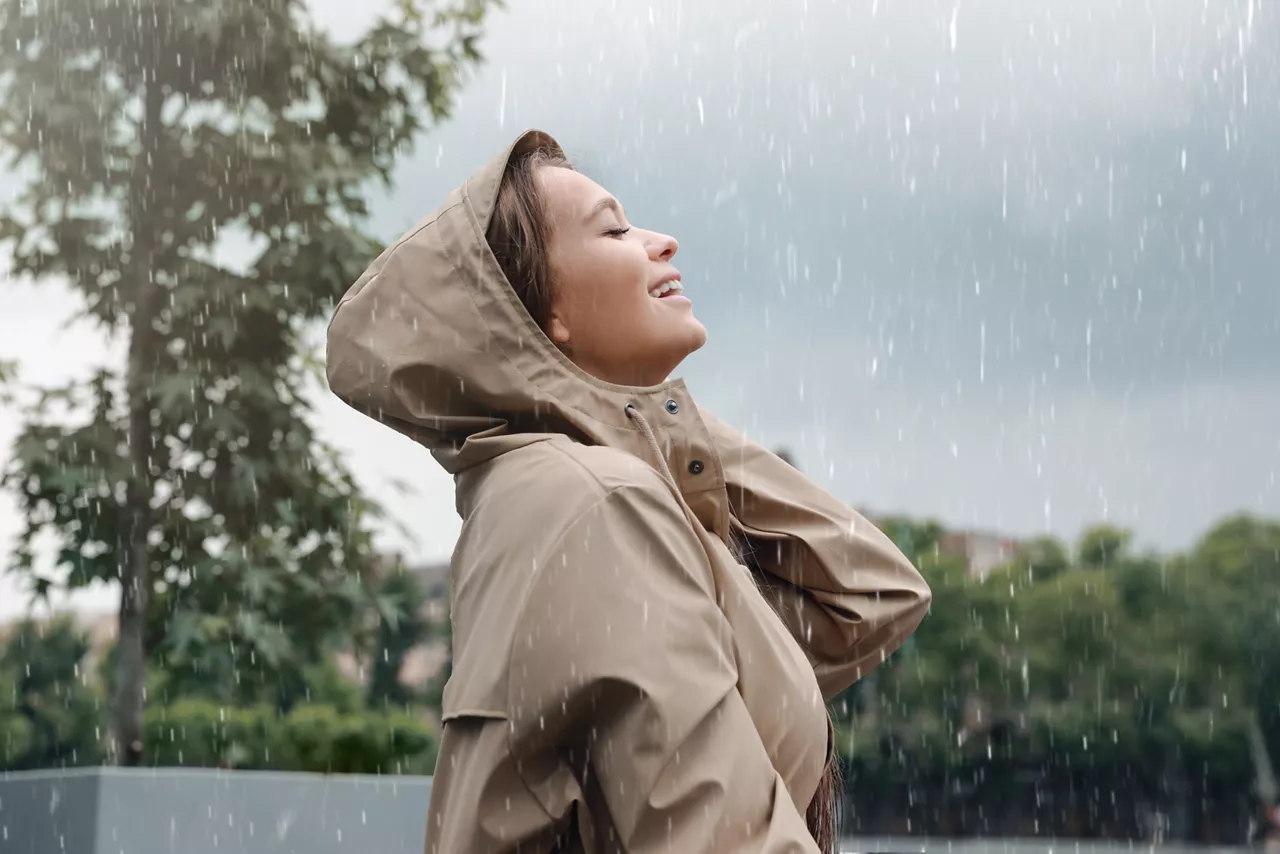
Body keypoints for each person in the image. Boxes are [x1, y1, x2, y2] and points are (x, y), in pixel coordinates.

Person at [326, 129, 932, 853]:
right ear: (540, 316)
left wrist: (632, 408)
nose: (663, 242)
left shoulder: (559, 488)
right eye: (615, 229)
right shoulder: (596, 504)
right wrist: (614, 407)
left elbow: (871, 597)